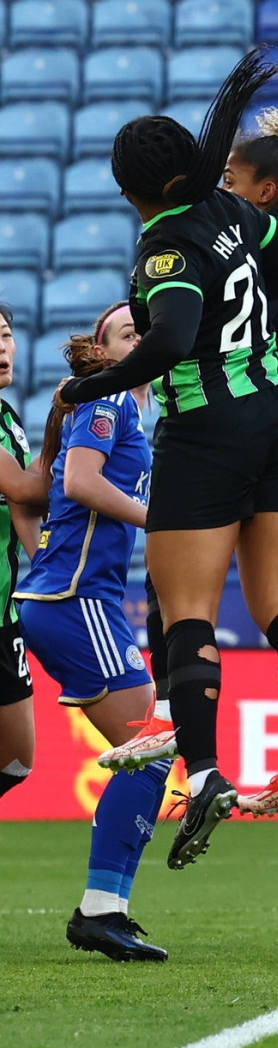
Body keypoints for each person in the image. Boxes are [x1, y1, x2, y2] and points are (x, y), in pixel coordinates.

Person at [56, 49, 278, 870]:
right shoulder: (237, 216)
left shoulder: (166, 243)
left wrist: (85, 391)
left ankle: (203, 773)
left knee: (189, 614)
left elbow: (168, 338)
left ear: (126, 186)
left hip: (208, 431)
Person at [12, 304, 169, 961]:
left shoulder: (136, 410)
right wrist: (159, 520)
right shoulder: (110, 405)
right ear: (103, 352)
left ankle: (107, 909)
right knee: (151, 748)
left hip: (67, 598)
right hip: (78, 602)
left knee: (151, 751)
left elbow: (36, 494)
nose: (141, 339)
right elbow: (76, 482)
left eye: (147, 331)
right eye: (127, 333)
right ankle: (100, 910)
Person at [0, 302, 44, 811]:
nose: (1, 347)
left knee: (17, 759)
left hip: (4, 615)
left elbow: (23, 505)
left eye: (7, 334)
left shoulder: (8, 420)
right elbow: (26, 490)